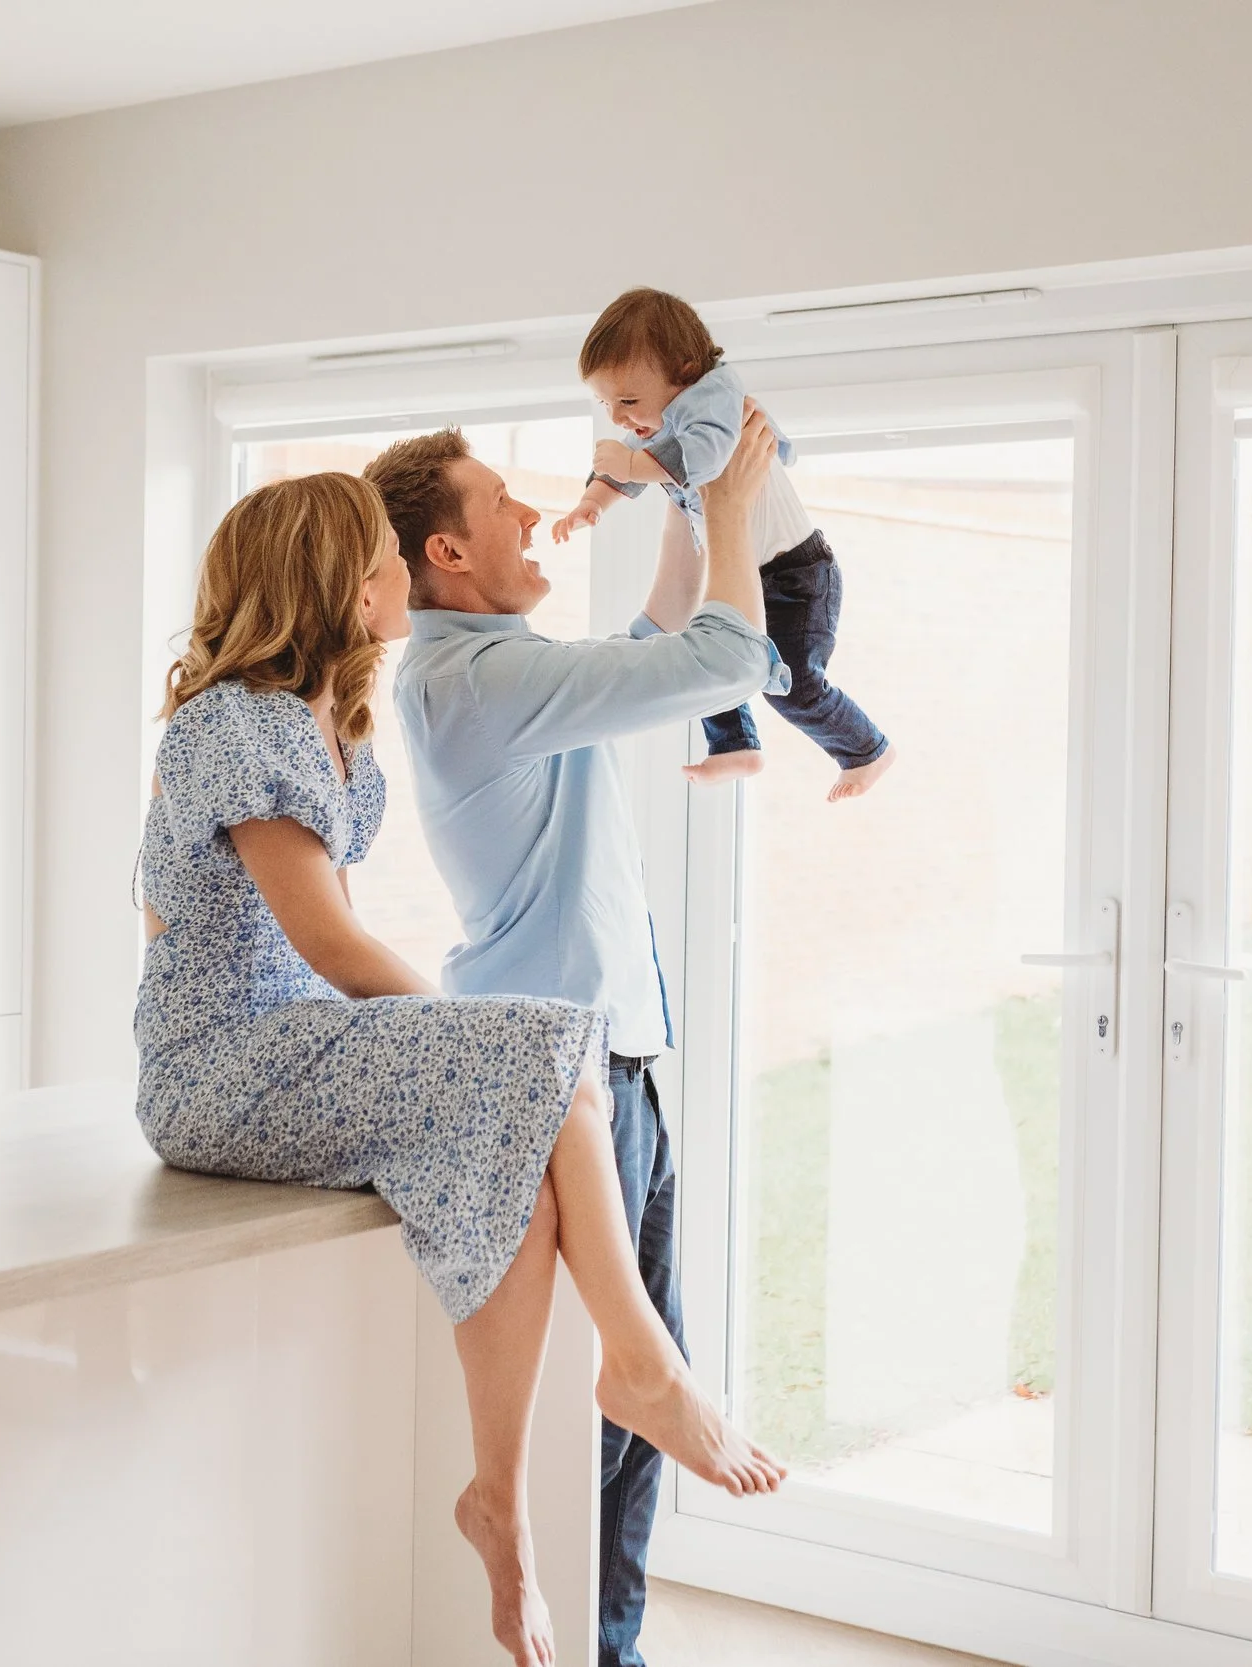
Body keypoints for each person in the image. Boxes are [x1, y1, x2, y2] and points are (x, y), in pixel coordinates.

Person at [134, 470, 784, 1667]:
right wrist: (472, 1043)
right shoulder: (233, 724)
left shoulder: (325, 718)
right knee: (534, 1046)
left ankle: (502, 1504)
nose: (399, 575)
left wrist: (485, 1058)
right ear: (336, 578)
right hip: (217, 1063)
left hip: (289, 1046)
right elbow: (325, 940)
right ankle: (640, 1363)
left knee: (530, 1119)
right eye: (382, 556)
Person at [367, 404, 787, 1667]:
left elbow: (659, 633)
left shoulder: (510, 672)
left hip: (617, 1066)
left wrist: (672, 487)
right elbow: (723, 658)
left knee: (639, 1406)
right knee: (611, 1410)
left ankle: (618, 1647)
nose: (522, 509)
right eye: (496, 501)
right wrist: (729, 509)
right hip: (560, 1077)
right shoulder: (472, 678)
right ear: (447, 554)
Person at [550, 286, 897, 802]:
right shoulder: (662, 420)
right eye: (605, 403)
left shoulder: (716, 403)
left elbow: (702, 461)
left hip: (797, 576)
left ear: (686, 373)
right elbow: (633, 462)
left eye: (627, 401)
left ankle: (867, 750)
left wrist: (627, 465)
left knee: (798, 686)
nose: (619, 419)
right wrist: (594, 502)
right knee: (704, 654)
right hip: (753, 573)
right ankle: (735, 746)